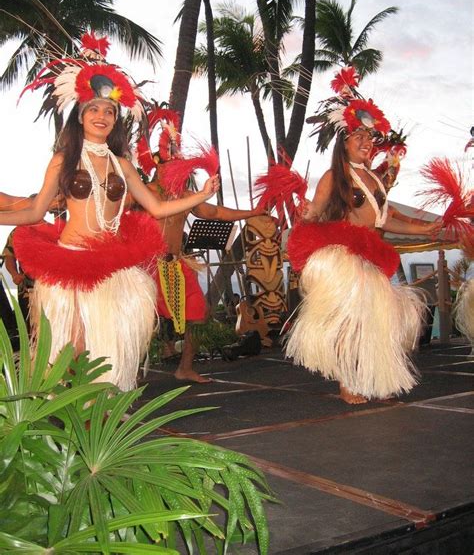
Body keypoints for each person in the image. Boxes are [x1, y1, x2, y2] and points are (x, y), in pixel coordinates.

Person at [0, 33, 219, 391]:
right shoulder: (63, 160)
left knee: (109, 353)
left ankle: (101, 414)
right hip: (72, 263)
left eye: (110, 112)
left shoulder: (122, 165)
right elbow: (34, 212)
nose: (102, 116)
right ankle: (75, 417)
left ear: (116, 120)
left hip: (112, 268)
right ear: (81, 116)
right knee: (73, 352)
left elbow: (158, 207)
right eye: (95, 110)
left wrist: (200, 196)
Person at [286, 67, 440, 404]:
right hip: (345, 258)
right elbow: (315, 210)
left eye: (371, 139)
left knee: (376, 325)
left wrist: (422, 228)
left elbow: (385, 222)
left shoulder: (373, 179)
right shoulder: (335, 176)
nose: (367, 144)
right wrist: (306, 212)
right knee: (350, 322)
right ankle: (346, 381)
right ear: (344, 141)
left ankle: (373, 377)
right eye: (360, 137)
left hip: (370, 255)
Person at [136, 106, 265, 382]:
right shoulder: (144, 193)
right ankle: (124, 374)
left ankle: (185, 367)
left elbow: (216, 213)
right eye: (169, 164)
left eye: (177, 166)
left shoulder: (186, 195)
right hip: (146, 266)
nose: (173, 170)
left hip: (177, 265)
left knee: (200, 314)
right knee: (139, 323)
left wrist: (253, 212)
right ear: (157, 165)